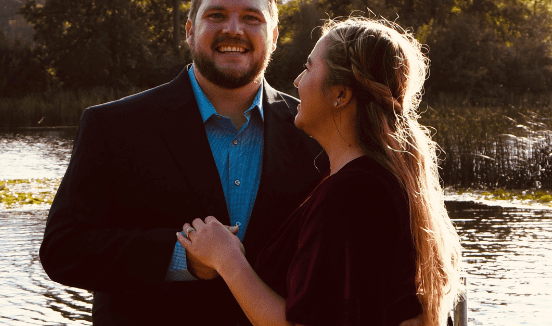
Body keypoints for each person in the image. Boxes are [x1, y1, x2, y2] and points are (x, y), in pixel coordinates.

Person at [39, 0, 328, 325]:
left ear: (273, 35)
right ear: (190, 29)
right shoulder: (113, 126)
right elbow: (64, 250)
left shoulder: (316, 133)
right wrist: (182, 258)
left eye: (252, 18)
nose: (234, 30)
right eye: (217, 15)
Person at [178, 18, 463, 326]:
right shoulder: (366, 180)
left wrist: (226, 258)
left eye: (310, 68)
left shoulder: (352, 195)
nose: (298, 81)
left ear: (340, 95)